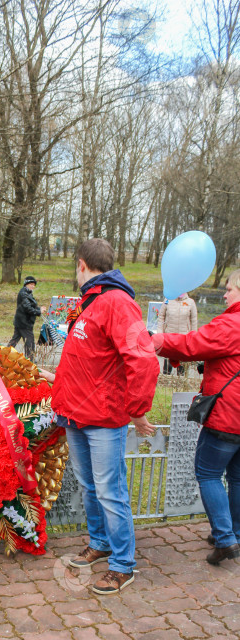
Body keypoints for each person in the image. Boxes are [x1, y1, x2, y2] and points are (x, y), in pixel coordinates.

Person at [39, 239, 159, 594]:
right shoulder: (91, 302)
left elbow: (144, 360)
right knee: (91, 487)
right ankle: (101, 542)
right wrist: (55, 378)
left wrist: (137, 411)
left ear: (81, 265)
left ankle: (123, 565)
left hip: (104, 418)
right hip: (76, 415)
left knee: (110, 491)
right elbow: (90, 363)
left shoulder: (117, 303)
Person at [152, 270, 240, 565]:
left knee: (208, 473)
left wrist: (159, 341)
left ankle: (225, 539)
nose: (225, 295)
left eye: (229, 289)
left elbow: (193, 344)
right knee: (237, 477)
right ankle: (234, 533)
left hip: (229, 416)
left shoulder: (231, 323)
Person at [157, 293, 198, 375]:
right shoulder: (167, 300)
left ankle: (180, 382)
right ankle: (165, 383)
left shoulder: (191, 302)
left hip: (184, 340)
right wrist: (160, 334)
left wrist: (194, 338)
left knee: (182, 366)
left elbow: (194, 321)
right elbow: (161, 316)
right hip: (169, 338)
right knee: (167, 366)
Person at [8, 275, 46, 361]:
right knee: (30, 342)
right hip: (24, 323)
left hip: (22, 322)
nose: (33, 286)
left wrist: (39, 309)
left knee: (14, 340)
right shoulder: (23, 293)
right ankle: (30, 360)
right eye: (31, 284)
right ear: (26, 284)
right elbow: (27, 308)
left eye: (34, 284)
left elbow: (31, 306)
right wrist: (39, 312)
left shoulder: (27, 293)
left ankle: (3, 354)